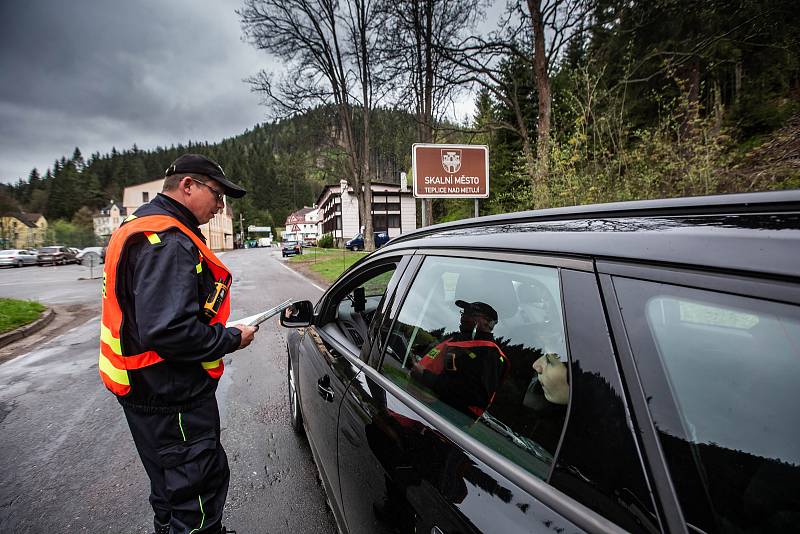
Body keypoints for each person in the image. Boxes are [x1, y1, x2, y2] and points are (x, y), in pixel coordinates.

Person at [98, 154, 258, 534]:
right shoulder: (166, 240)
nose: (221, 206)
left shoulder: (141, 227)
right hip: (171, 398)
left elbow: (158, 318)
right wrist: (232, 338)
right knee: (195, 494)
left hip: (147, 390)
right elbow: (169, 331)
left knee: (170, 493)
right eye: (217, 194)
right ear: (188, 186)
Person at [410, 300, 509, 419]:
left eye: (471, 314)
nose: (463, 317)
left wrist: (425, 375)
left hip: (441, 418)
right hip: (417, 403)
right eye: (464, 313)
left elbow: (474, 395)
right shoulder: (457, 339)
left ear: (488, 322)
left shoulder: (489, 354)